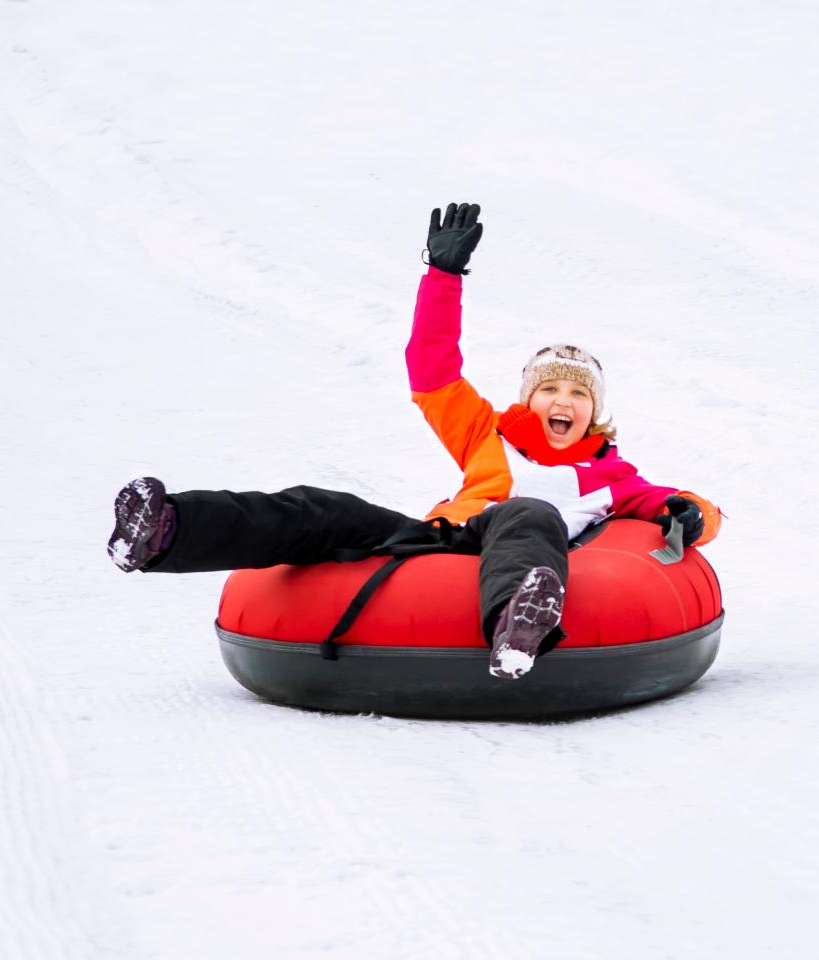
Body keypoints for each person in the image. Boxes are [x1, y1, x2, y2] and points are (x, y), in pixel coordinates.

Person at [108, 202, 722, 679]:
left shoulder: (610, 475)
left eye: (579, 395)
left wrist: (696, 513)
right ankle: (165, 529)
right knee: (326, 508)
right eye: (550, 390)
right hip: (445, 537)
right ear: (529, 397)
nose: (563, 402)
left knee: (527, 512)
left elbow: (676, 505)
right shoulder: (486, 432)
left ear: (594, 413)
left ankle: (518, 626)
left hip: (520, 541)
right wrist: (443, 276)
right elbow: (431, 370)